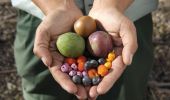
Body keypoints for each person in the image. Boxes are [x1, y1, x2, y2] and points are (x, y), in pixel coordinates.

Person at [11, 0, 158, 100]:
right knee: (42, 92)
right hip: (42, 15)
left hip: (125, 17)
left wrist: (111, 5)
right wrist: (57, 5)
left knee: (127, 93)